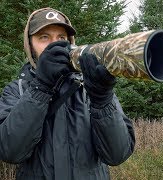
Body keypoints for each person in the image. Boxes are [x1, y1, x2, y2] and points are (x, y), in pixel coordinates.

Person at [0, 7, 135, 180]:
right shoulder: (17, 90)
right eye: (44, 37)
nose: (55, 44)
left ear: (70, 42)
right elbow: (10, 151)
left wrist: (102, 100)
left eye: (61, 37)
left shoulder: (91, 88)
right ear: (30, 45)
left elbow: (118, 154)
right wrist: (41, 87)